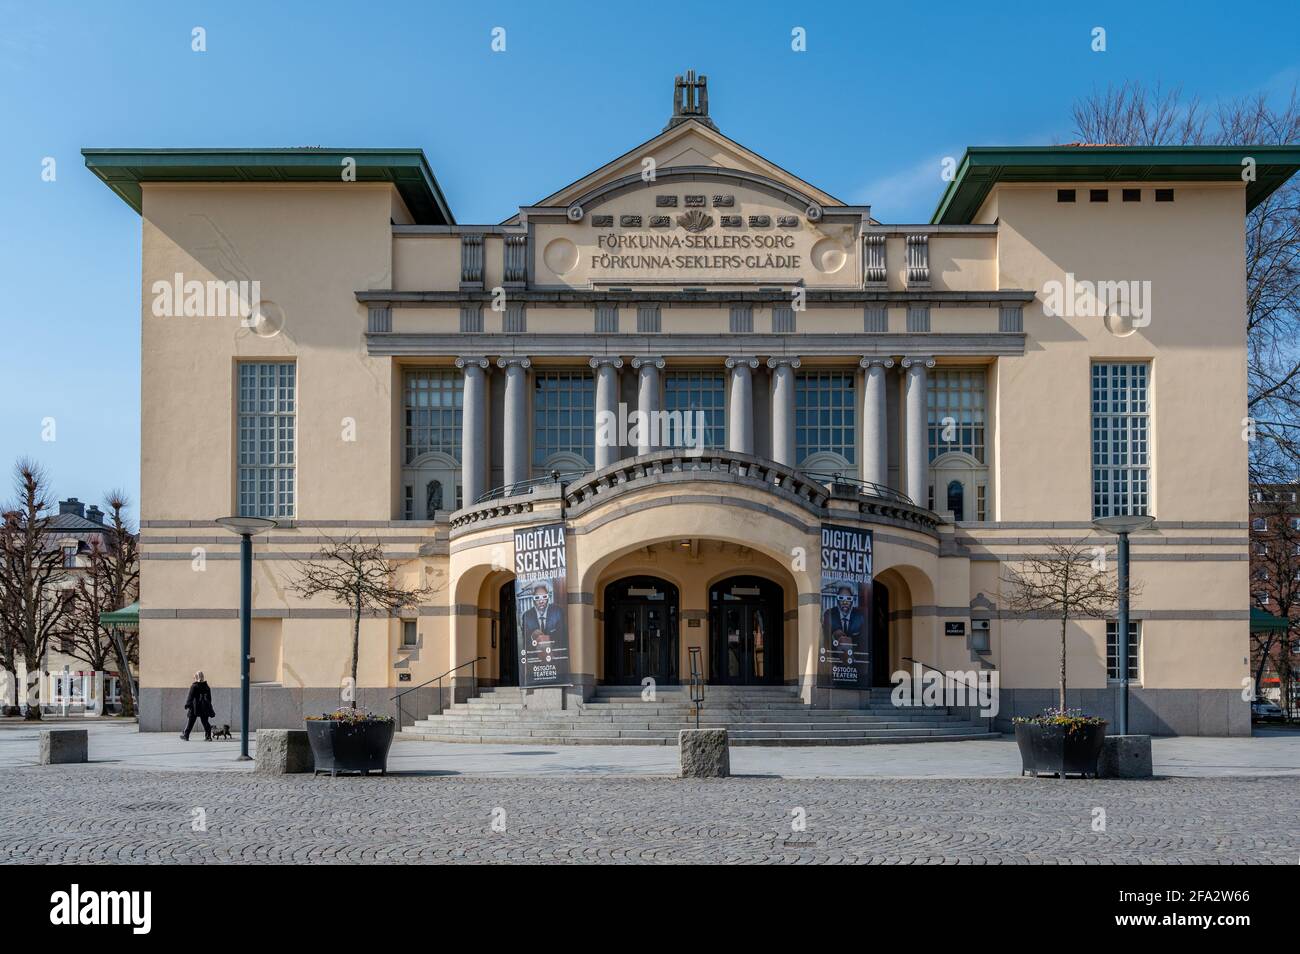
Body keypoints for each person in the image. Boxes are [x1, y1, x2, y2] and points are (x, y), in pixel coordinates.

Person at [181, 670, 215, 741]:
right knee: (205, 722)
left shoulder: (194, 686)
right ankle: (208, 736)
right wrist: (208, 706)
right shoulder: (206, 686)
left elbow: (190, 697)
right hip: (204, 707)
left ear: (196, 677)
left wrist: (188, 704)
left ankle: (186, 735)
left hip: (195, 707)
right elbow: (209, 698)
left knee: (191, 721)